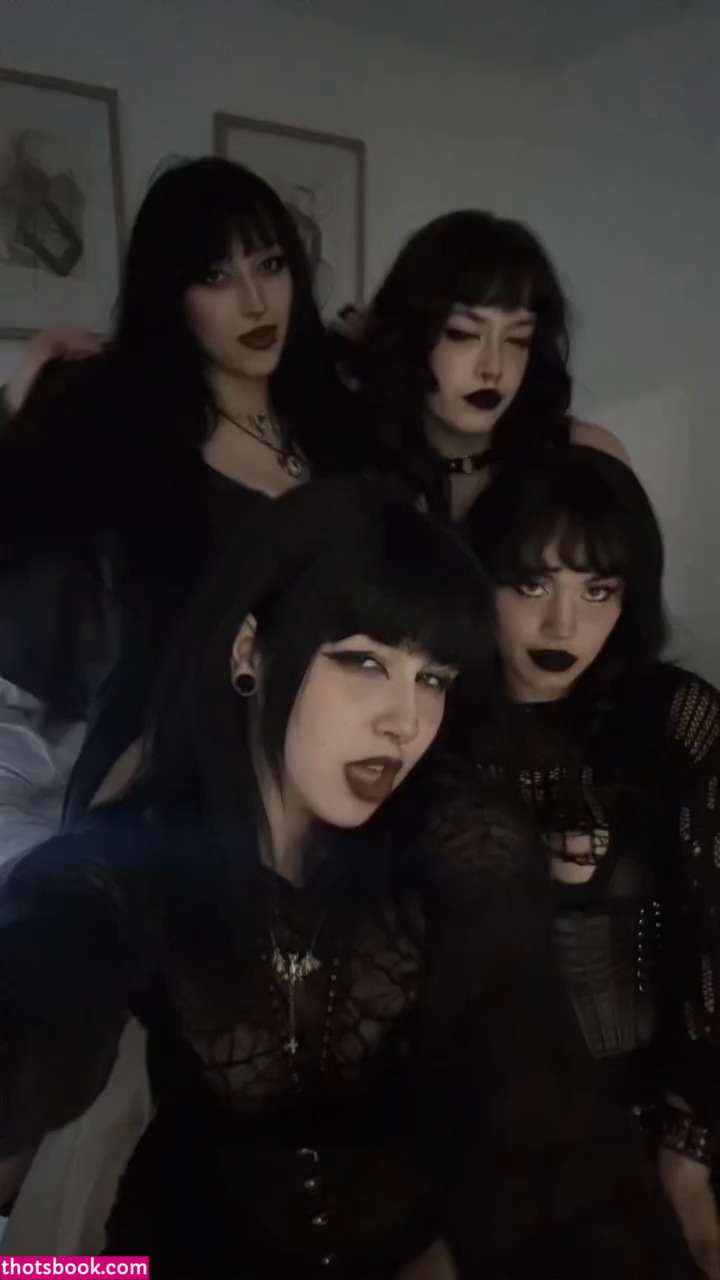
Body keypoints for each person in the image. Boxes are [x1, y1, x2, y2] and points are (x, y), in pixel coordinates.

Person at [0, 478, 693, 1276]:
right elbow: (45, 999)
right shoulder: (143, 851)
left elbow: (539, 1108)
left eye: (432, 678)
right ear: (250, 650)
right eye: (364, 662)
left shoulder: (458, 840)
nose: (406, 721)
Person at [0, 157, 365, 860]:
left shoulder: (340, 427)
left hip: (327, 775)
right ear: (172, 297)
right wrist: (18, 401)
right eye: (216, 278)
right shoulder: (128, 439)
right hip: (171, 786)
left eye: (271, 265)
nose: (256, 303)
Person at [464, 445, 720, 1278]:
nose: (562, 627)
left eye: (597, 590)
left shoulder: (675, 722)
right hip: (471, 1147)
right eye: (532, 586)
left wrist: (689, 1153)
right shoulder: (428, 722)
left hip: (653, 1127)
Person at [348, 210, 628, 520]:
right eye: (463, 334)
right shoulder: (349, 468)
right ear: (408, 336)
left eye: (518, 339)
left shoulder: (589, 459)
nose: (493, 368)